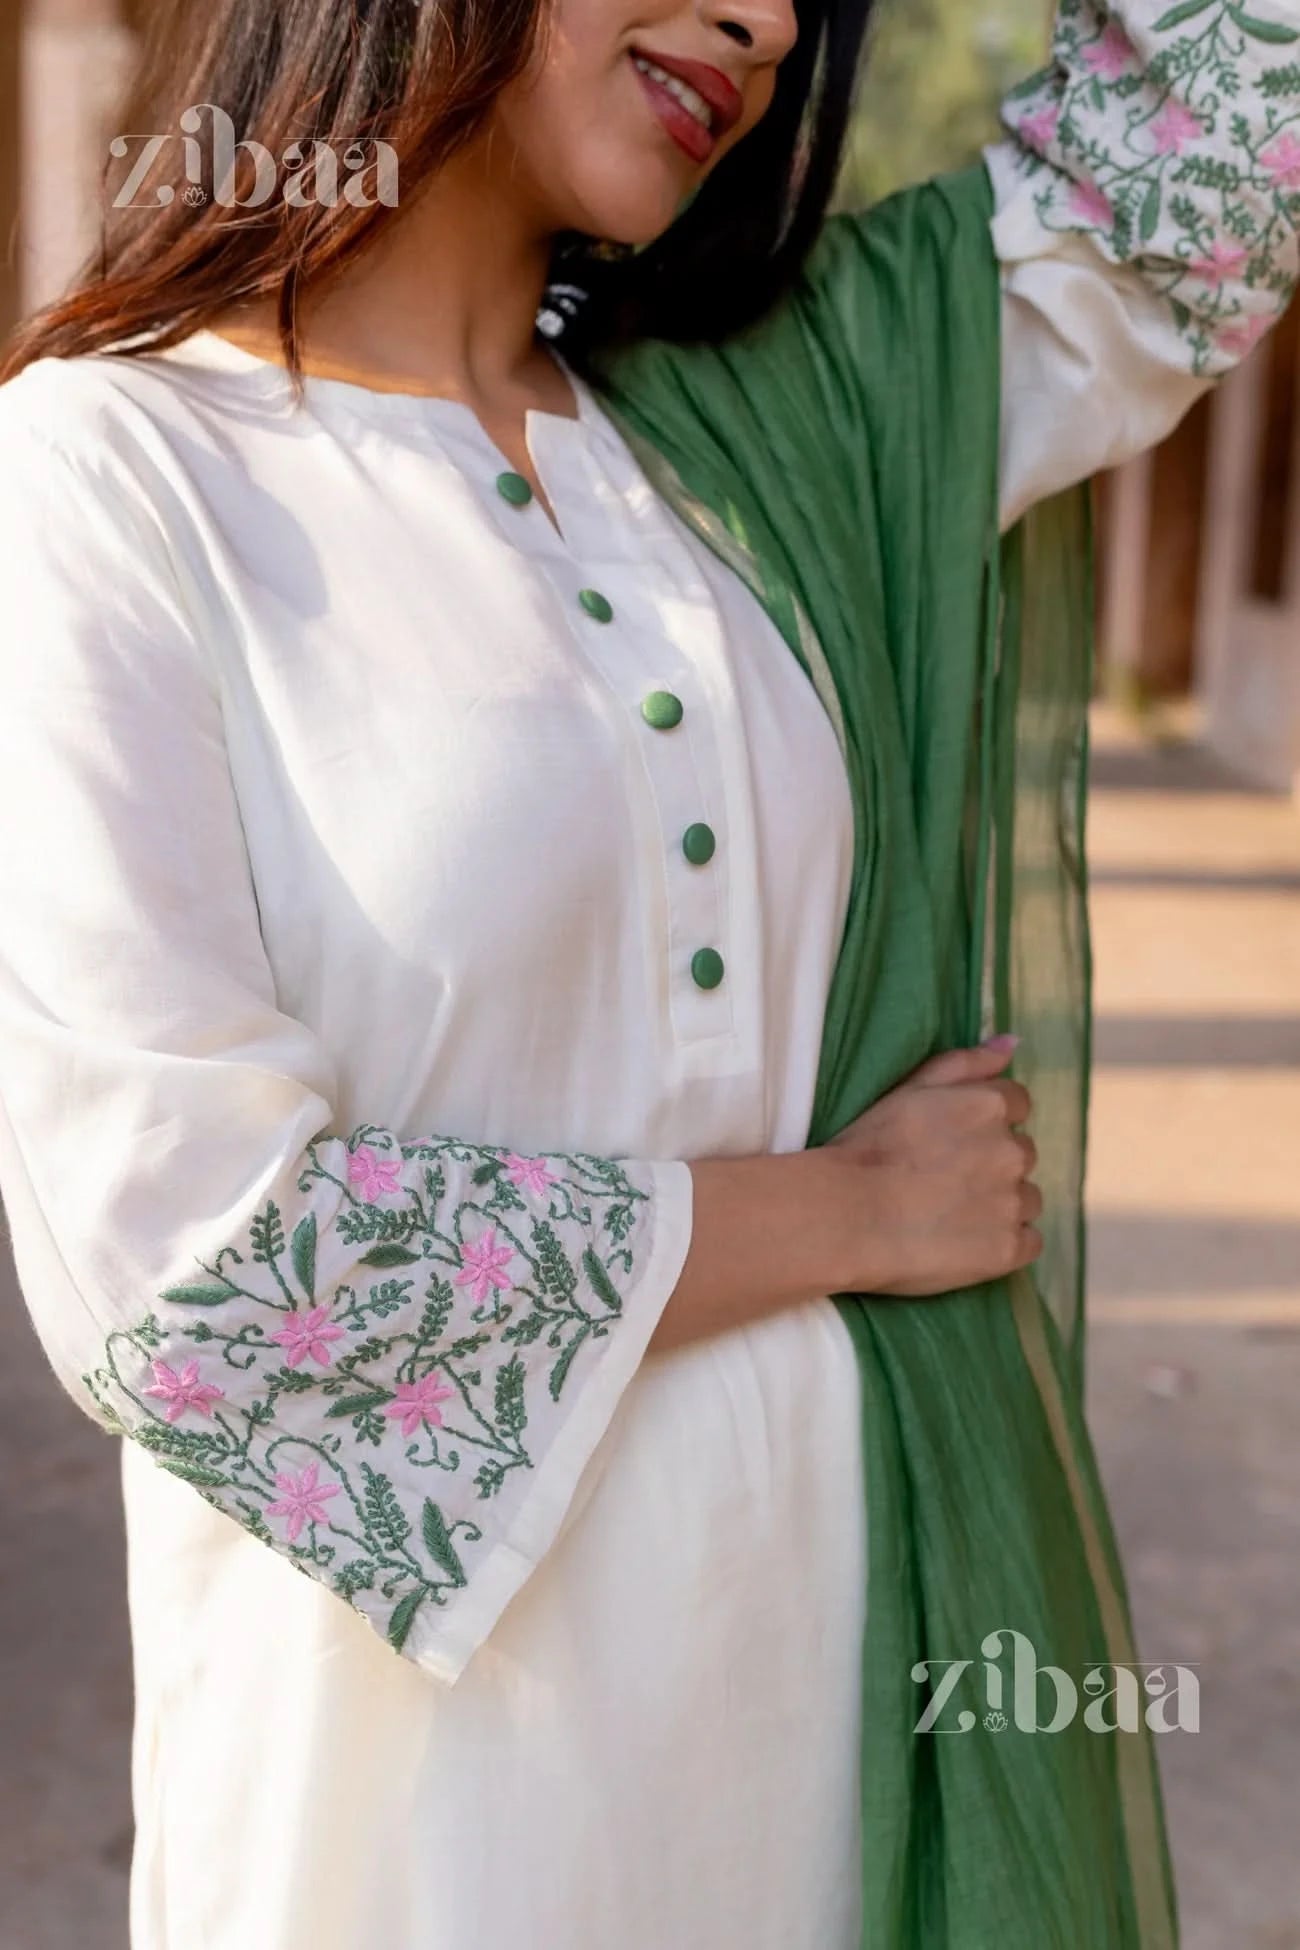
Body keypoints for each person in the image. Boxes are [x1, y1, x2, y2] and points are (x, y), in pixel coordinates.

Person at [0, 0, 1294, 1944]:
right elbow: (190, 1280)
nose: (765, 22)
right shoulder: (117, 474)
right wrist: (839, 1213)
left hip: (827, 1742)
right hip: (418, 1827)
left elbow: (1217, 131)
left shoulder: (784, 425)